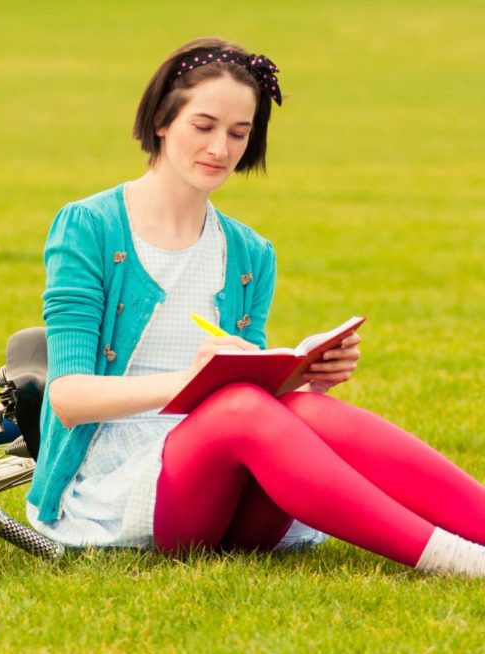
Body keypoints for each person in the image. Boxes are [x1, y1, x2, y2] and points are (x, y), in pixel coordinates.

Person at [26, 36, 485, 576]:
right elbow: (69, 398)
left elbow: (257, 399)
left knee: (308, 409)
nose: (220, 148)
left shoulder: (249, 253)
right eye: (203, 126)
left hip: (227, 478)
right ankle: (455, 560)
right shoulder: (90, 227)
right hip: (114, 483)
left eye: (238, 133)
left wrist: (304, 376)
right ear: (161, 121)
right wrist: (193, 380)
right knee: (238, 408)